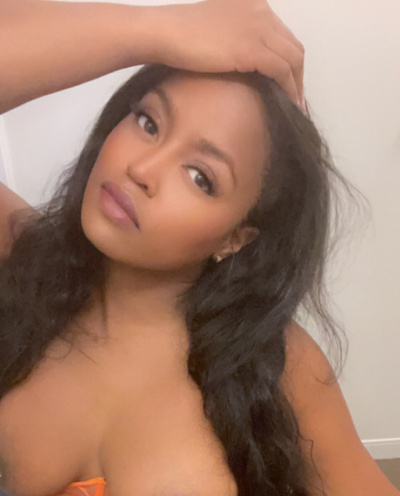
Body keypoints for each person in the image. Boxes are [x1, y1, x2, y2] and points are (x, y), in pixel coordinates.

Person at [0, 1, 398, 496]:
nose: (142, 170)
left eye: (200, 177)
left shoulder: (276, 367)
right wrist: (153, 28)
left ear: (236, 237)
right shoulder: (21, 260)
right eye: (148, 122)